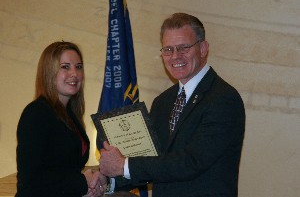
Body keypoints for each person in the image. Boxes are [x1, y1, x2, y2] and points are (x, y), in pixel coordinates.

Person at [99, 13, 246, 197]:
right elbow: (154, 161)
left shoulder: (223, 99)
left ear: (203, 48)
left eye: (183, 47)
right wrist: (107, 177)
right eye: (168, 49)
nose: (175, 56)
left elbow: (192, 161)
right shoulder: (163, 102)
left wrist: (124, 165)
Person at [15, 41, 106, 197]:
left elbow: (64, 169)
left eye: (78, 67)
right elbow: (30, 181)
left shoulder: (71, 114)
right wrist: (82, 182)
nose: (74, 73)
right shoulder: (37, 113)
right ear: (49, 72)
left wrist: (91, 182)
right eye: (65, 67)